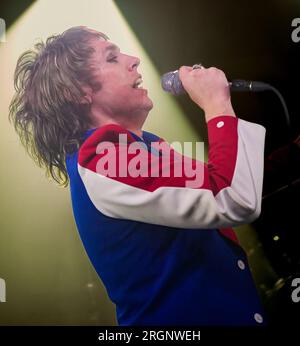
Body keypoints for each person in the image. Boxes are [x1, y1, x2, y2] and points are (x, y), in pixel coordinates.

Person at [9, 26, 266, 326]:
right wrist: (216, 104)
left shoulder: (146, 146)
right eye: (112, 58)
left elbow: (216, 185)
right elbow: (231, 197)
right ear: (77, 92)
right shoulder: (101, 156)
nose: (134, 59)